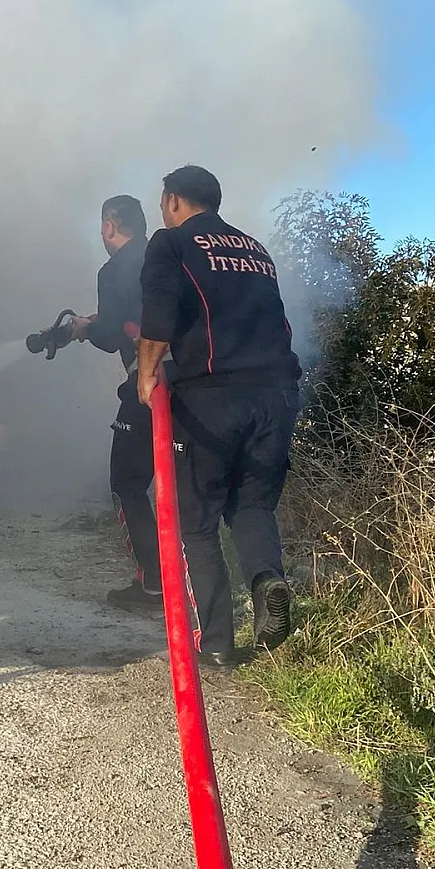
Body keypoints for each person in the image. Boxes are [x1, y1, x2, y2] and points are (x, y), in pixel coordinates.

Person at [135, 165, 299, 669]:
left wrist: (146, 376)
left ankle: (218, 643)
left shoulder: (171, 243)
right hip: (277, 395)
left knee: (197, 522)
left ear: (174, 199)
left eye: (163, 199)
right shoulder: (254, 249)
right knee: (252, 507)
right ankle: (266, 579)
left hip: (210, 398)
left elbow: (158, 318)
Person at [68, 195, 161, 609]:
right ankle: (194, 581)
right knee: (185, 485)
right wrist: (99, 322)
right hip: (195, 384)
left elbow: (111, 336)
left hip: (148, 386)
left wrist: (88, 329)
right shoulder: (163, 256)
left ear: (109, 226)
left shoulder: (113, 268)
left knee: (127, 482)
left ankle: (154, 584)